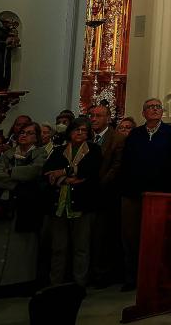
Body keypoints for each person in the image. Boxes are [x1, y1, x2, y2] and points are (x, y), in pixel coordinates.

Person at [119, 98, 171, 290]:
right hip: (134, 192)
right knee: (131, 236)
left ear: (162, 112)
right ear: (143, 113)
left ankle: (158, 278)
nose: (154, 110)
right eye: (150, 107)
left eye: (157, 107)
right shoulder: (135, 135)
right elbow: (126, 162)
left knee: (158, 236)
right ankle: (132, 278)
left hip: (160, 194)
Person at [0, 122, 45, 291]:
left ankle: (19, 281)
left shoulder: (39, 153)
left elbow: (35, 172)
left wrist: (12, 173)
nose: (24, 135)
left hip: (26, 204)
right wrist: (17, 183)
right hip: (5, 202)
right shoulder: (7, 154)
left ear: (36, 137)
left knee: (22, 244)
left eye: (29, 133)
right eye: (22, 132)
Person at [44, 117, 101, 286]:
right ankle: (55, 283)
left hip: (82, 203)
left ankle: (79, 284)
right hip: (60, 203)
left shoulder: (93, 150)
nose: (80, 133)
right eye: (77, 130)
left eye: (84, 130)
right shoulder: (59, 150)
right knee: (58, 247)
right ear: (70, 132)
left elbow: (89, 171)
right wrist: (66, 179)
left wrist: (62, 172)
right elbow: (47, 172)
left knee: (81, 247)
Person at [87, 103, 125, 287]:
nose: (93, 119)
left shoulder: (117, 138)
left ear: (108, 118)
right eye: (91, 115)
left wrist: (98, 184)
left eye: (98, 116)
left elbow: (117, 166)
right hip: (85, 193)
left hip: (105, 193)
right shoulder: (86, 137)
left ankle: (101, 273)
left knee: (102, 236)